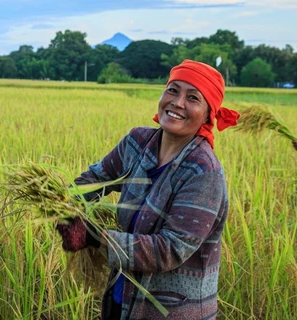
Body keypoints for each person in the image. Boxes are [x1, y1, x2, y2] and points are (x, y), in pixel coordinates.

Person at [56, 59, 240, 320]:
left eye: (193, 98)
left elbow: (170, 249)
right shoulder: (138, 143)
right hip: (121, 299)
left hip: (172, 312)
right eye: (173, 90)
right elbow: (96, 179)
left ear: (208, 114)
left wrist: (94, 237)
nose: (177, 102)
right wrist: (61, 201)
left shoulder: (203, 173)